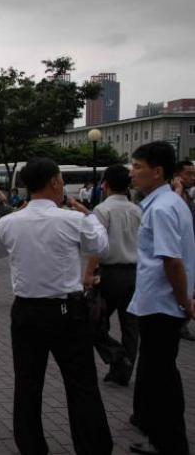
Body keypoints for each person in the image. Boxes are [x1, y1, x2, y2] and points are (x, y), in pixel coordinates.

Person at [0, 158, 112, 455]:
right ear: (56, 182)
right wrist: (89, 215)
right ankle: (92, 447)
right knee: (81, 384)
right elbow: (102, 248)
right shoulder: (72, 219)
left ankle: (32, 446)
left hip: (26, 313)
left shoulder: (9, 222)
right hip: (67, 313)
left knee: (28, 384)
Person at [127, 142, 195, 455]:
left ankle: (172, 445)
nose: (132, 173)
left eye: (138, 167)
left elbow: (172, 261)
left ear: (157, 172)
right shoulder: (167, 201)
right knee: (159, 375)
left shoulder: (165, 207)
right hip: (159, 303)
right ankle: (160, 438)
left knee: (163, 378)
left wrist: (184, 302)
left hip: (162, 306)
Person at [79, 165, 142, 388]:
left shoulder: (102, 210)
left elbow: (98, 244)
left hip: (109, 273)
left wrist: (88, 273)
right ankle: (124, 370)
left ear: (105, 184)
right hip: (134, 272)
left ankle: (116, 355)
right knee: (130, 325)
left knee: (94, 321)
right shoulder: (138, 210)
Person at [173, 160, 195, 342]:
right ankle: (180, 323)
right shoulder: (174, 196)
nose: (192, 177)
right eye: (189, 173)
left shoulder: (189, 195)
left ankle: (183, 322)